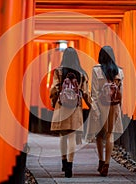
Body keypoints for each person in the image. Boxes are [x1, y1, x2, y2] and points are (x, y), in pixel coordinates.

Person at [49, 47, 92, 178]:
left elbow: (54, 88)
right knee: (72, 136)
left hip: (62, 107)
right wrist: (91, 105)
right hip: (75, 107)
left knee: (63, 136)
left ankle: (64, 162)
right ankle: (70, 166)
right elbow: (85, 92)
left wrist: (53, 102)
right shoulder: (82, 74)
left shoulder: (59, 71)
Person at [86, 45, 124, 177]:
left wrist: (95, 109)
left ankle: (101, 161)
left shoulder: (96, 70)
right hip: (114, 106)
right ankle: (107, 163)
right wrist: (120, 109)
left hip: (101, 106)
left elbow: (94, 92)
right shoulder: (119, 71)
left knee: (99, 135)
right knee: (110, 134)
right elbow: (121, 93)